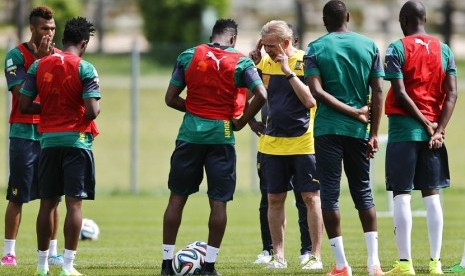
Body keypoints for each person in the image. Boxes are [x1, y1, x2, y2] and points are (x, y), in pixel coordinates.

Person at [160, 18, 266, 276]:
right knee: (219, 202)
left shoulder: (188, 56)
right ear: (233, 38)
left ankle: (166, 265)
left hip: (189, 135)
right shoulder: (241, 62)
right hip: (223, 133)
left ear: (212, 35)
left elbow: (170, 99)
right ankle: (209, 267)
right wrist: (240, 123)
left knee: (177, 198)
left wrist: (196, 111)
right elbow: (262, 94)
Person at [304, 1, 385, 275]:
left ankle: (341, 266)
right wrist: (373, 132)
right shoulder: (370, 46)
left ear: (324, 19)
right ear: (348, 17)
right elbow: (378, 92)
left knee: (329, 193)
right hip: (360, 131)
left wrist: (351, 113)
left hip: (327, 130)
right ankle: (374, 263)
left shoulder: (315, 47)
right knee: (363, 192)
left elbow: (315, 91)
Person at [19, 17, 101, 276]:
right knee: (74, 205)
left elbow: (24, 105)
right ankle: (67, 265)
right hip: (76, 141)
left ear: (64, 40)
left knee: (47, 204)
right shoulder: (86, 68)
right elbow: (92, 110)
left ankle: (42, 266)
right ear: (84, 43)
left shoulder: (39, 66)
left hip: (48, 142)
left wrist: (51, 110)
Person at [383, 1, 457, 274]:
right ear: (425, 19)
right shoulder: (445, 49)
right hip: (434, 133)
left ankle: (405, 264)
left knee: (402, 194)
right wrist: (437, 129)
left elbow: (400, 93)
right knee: (432, 194)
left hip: (405, 130)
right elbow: (452, 94)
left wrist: (425, 124)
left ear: (403, 20)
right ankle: (435, 263)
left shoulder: (396, 48)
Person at [247, 20, 323, 270]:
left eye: (271, 45)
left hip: (303, 144)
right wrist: (256, 68)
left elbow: (310, 101)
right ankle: (278, 256)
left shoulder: (304, 61)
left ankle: (314, 256)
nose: (267, 49)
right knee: (274, 199)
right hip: (271, 146)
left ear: (287, 43)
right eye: (264, 44)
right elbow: (255, 97)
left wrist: (287, 71)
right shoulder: (264, 63)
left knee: (311, 199)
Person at [2, 6, 63, 267]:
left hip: (51, 134)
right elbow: (22, 96)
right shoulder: (15, 56)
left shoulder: (60, 57)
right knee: (17, 195)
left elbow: (62, 95)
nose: (49, 33)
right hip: (24, 133)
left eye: (52, 29)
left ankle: (53, 251)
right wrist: (39, 62)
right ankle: (8, 253)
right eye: (44, 28)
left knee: (54, 197)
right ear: (32, 29)